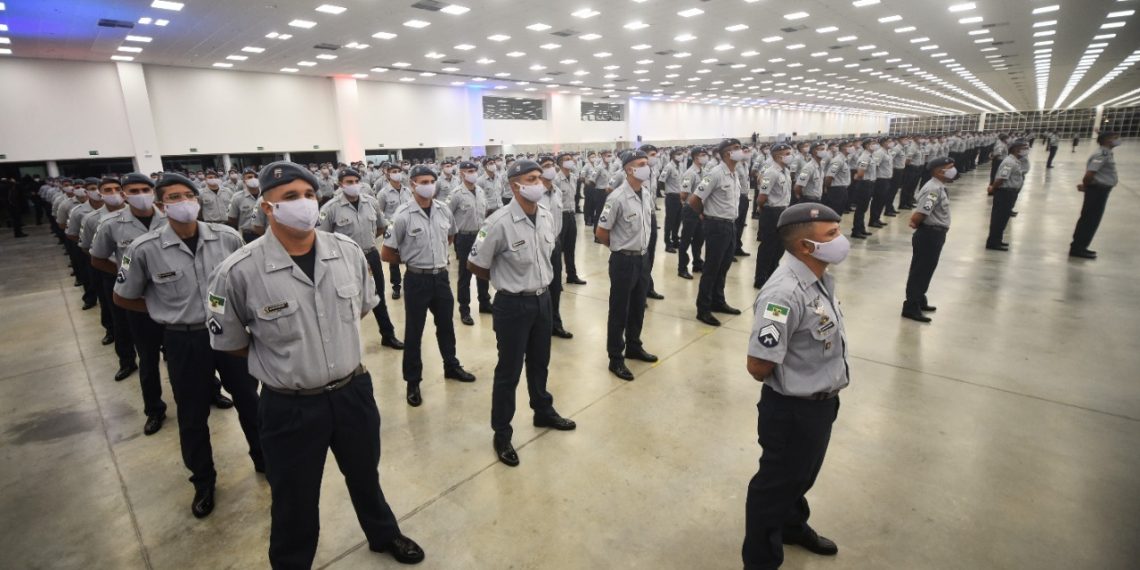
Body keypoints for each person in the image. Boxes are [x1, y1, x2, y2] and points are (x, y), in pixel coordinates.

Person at [207, 161, 424, 567]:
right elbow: (231, 343)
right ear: (267, 207)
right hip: (290, 404)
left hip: (351, 392)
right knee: (294, 495)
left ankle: (383, 533)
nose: (303, 203)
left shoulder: (347, 253)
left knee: (365, 475)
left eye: (308, 195)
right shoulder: (238, 271)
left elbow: (359, 309)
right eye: (290, 197)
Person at [114, 173, 262, 519]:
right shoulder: (144, 249)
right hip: (184, 338)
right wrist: (163, 313)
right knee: (192, 415)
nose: (182, 203)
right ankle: (203, 480)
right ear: (160, 205)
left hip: (230, 334)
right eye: (173, 198)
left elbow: (249, 281)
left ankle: (264, 458)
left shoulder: (227, 238)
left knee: (250, 402)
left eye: (187, 195)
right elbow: (124, 296)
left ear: (196, 199)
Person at [742, 202, 849, 570]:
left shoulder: (816, 276)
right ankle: (761, 560)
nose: (841, 240)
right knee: (773, 489)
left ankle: (791, 525)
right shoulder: (783, 294)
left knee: (800, 476)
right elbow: (758, 364)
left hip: (818, 404)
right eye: (831, 235)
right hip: (793, 412)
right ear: (806, 246)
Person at [467, 159, 577, 467]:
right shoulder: (498, 222)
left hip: (543, 300)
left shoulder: (544, 215)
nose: (540, 183)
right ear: (516, 185)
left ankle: (542, 410)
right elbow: (475, 264)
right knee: (509, 371)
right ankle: (501, 432)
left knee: (540, 362)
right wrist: (509, 283)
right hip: (513, 306)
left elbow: (549, 253)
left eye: (540, 178)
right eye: (533, 178)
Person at [382, 165, 475, 407]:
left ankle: (451, 366)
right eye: (423, 181)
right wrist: (411, 259)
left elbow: (450, 236)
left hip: (441, 277)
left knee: (446, 326)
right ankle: (412, 381)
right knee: (414, 332)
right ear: (412, 184)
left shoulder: (444, 210)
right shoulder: (402, 215)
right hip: (416, 279)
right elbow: (386, 252)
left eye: (431, 180)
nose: (429, 185)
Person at [90, 173, 176, 435]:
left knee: (187, 355)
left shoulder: (169, 217)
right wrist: (125, 277)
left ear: (153, 192)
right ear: (125, 195)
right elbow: (98, 258)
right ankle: (154, 410)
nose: (140, 194)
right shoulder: (111, 224)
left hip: (175, 301)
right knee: (148, 360)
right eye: (133, 190)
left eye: (145, 189)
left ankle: (210, 392)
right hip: (141, 305)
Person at [318, 168, 404, 349]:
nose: (353, 185)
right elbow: (321, 239)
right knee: (347, 301)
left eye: (356, 181)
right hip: (344, 260)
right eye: (349, 182)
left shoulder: (370, 202)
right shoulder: (330, 208)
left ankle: (387, 335)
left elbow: (380, 227)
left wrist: (369, 242)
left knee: (378, 296)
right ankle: (347, 342)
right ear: (341, 184)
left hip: (371, 255)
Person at [596, 150, 659, 381]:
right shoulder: (617, 198)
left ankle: (634, 346)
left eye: (647, 163)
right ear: (629, 169)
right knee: (619, 311)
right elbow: (601, 232)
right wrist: (620, 248)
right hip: (624, 260)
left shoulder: (645, 193)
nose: (647, 166)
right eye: (642, 164)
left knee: (638, 306)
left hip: (642, 259)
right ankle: (616, 357)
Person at [902, 158, 956, 323]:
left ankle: (919, 299)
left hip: (935, 234)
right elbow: (921, 213)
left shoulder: (939, 187)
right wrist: (915, 221)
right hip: (929, 235)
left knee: (927, 269)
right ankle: (911, 307)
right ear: (939, 171)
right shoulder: (933, 189)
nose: (953, 170)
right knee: (920, 270)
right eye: (950, 168)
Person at [447, 161, 493, 325]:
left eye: (474, 170)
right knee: (465, 274)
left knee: (482, 269)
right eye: (469, 171)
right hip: (464, 237)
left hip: (481, 235)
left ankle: (485, 302)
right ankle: (464, 309)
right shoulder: (456, 194)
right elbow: (447, 215)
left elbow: (485, 211)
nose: (473, 173)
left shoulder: (480, 191)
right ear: (461, 173)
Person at [537, 155, 573, 339]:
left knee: (555, 286)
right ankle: (541, 325)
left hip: (555, 243)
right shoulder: (534, 194)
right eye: (546, 166)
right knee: (541, 287)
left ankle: (555, 323)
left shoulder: (557, 191)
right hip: (540, 246)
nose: (550, 168)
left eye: (552, 165)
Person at [1070, 132, 1119, 259]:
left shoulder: (1106, 153)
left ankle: (1081, 246)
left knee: (1091, 219)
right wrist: (1086, 186)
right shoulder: (1101, 155)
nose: (1117, 140)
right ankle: (1078, 248)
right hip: (1097, 191)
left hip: (1099, 190)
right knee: (1090, 220)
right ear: (1106, 140)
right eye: (1114, 138)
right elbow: (1089, 174)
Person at [753, 143, 794, 291]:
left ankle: (772, 274)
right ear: (778, 155)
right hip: (772, 212)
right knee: (768, 247)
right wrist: (766, 210)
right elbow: (761, 197)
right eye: (787, 153)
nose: (790, 155)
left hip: (783, 211)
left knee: (779, 246)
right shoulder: (771, 172)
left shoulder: (785, 171)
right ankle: (760, 278)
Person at [986, 139, 1029, 251]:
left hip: (1009, 193)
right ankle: (993, 242)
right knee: (999, 219)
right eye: (1023, 148)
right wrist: (993, 187)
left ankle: (997, 240)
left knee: (1003, 219)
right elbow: (1001, 178)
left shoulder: (1014, 161)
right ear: (1016, 149)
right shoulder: (1009, 162)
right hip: (1004, 194)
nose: (1026, 150)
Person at [378, 163, 411, 300]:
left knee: (410, 256)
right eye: (394, 171)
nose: (397, 173)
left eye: (398, 171)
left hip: (408, 229)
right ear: (388, 174)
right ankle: (396, 286)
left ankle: (410, 284)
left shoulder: (407, 191)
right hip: (392, 230)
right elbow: (379, 213)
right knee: (393, 260)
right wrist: (388, 225)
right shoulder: (383, 193)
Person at [555, 152, 587, 285]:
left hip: (571, 215)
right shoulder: (556, 179)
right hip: (560, 215)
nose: (571, 161)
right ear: (561, 163)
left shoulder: (573, 177)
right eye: (567, 159)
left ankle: (571, 275)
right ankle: (556, 280)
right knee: (557, 250)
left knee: (570, 247)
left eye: (571, 159)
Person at [677, 147, 707, 280]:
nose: (705, 157)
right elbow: (683, 195)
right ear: (695, 157)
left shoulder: (703, 171)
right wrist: (693, 208)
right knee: (686, 239)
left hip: (699, 209)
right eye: (702, 155)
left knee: (699, 238)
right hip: (690, 209)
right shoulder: (690, 173)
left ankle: (697, 263)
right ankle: (682, 267)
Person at [661, 148, 684, 252]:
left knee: (678, 220)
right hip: (671, 197)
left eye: (681, 154)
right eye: (678, 154)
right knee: (670, 221)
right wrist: (664, 192)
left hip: (679, 197)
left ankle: (675, 240)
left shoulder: (680, 166)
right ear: (673, 156)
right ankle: (667, 243)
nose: (681, 155)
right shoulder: (668, 167)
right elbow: (661, 180)